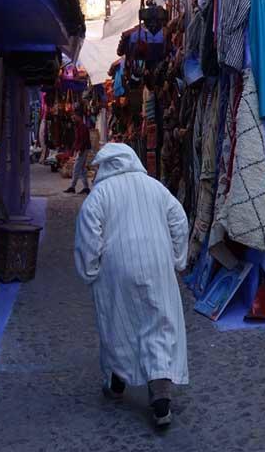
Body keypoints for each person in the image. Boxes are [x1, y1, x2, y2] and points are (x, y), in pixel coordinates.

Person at [74, 143, 189, 428]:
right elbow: (179, 220)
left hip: (117, 270)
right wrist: (177, 258)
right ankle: (161, 397)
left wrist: (90, 271)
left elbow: (88, 237)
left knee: (119, 325)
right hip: (157, 265)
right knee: (160, 324)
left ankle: (116, 382)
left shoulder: (99, 195)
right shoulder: (155, 187)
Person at [65, 110, 92, 194]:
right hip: (82, 149)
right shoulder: (78, 126)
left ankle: (72, 186)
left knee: (76, 167)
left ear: (79, 117)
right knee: (82, 168)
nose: (73, 117)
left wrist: (80, 149)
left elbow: (83, 140)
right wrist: (74, 149)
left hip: (83, 149)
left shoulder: (82, 127)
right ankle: (86, 187)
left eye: (74, 116)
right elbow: (77, 140)